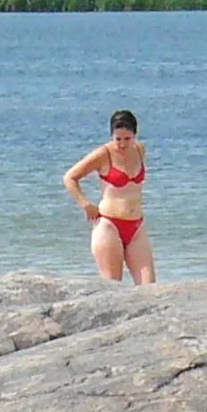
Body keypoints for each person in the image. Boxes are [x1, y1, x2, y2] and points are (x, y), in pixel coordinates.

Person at [62, 109, 154, 284]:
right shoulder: (104, 154)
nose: (122, 144)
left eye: (127, 139)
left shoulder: (140, 150)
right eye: (117, 139)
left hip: (136, 226)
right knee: (113, 286)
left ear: (135, 135)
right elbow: (70, 177)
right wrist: (85, 204)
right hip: (109, 226)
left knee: (149, 287)